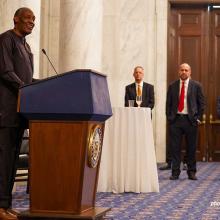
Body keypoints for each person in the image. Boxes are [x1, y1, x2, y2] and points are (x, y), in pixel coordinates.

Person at [0, 7, 35, 219]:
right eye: (28, 18)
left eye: (34, 19)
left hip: (20, 112)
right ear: (16, 19)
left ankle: (6, 204)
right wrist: (27, 88)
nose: (32, 22)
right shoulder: (6, 39)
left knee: (12, 160)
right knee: (3, 160)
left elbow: (28, 79)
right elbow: (5, 71)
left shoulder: (27, 46)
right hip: (6, 110)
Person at [166, 63, 205, 180]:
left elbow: (201, 103)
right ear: (179, 71)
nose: (184, 72)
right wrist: (169, 118)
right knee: (175, 148)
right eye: (182, 70)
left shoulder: (196, 85)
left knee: (191, 148)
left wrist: (198, 117)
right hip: (176, 120)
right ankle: (175, 172)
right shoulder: (172, 86)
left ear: (190, 72)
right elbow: (168, 104)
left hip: (191, 120)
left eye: (186, 70)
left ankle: (191, 172)